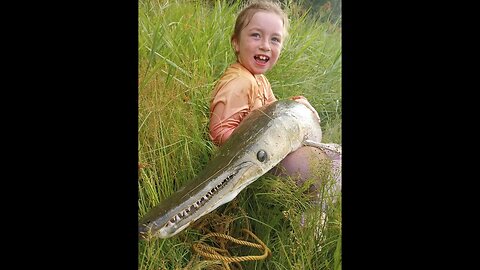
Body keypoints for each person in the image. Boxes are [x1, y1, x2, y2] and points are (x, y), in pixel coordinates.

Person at [209, 0, 340, 195]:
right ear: (236, 42)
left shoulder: (259, 79)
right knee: (325, 168)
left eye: (275, 39)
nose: (265, 46)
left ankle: (314, 205)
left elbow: (272, 111)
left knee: (334, 157)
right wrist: (264, 143)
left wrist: (295, 104)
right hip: (249, 164)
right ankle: (308, 215)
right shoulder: (239, 82)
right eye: (256, 35)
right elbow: (218, 133)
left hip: (268, 154)